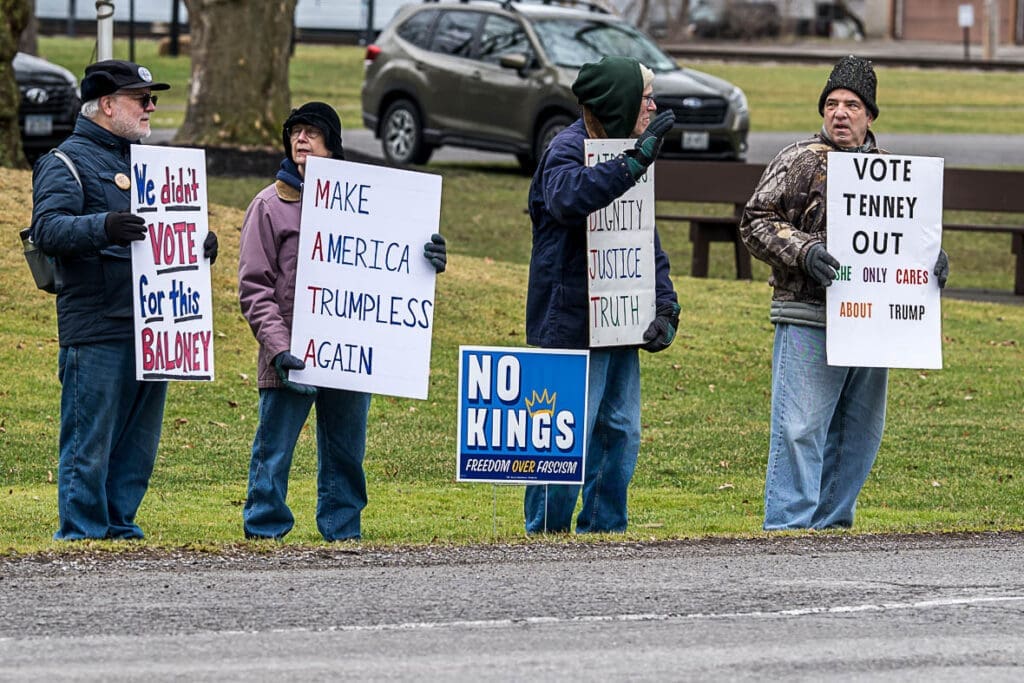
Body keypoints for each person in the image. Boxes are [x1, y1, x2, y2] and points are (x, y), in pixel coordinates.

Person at [739, 55, 950, 530]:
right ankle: (788, 532)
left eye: (851, 105)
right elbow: (755, 222)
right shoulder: (797, 160)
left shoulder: (892, 175)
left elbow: (910, 239)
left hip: (874, 324)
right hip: (807, 316)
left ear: (870, 115)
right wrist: (803, 250)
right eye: (831, 104)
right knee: (800, 429)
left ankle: (831, 530)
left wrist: (932, 261)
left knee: (858, 435)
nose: (839, 114)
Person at [237, 102, 448, 541]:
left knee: (346, 452)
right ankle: (264, 530)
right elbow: (254, 289)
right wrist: (279, 349)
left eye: (312, 133)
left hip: (350, 351)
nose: (300, 139)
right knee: (273, 450)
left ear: (332, 145)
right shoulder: (269, 206)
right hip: (290, 354)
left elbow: (391, 266)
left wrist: (427, 259)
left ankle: (342, 530)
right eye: (295, 131)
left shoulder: (372, 207)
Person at [30, 60, 219, 540]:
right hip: (96, 323)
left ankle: (118, 523)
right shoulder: (64, 162)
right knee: (88, 438)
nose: (151, 106)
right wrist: (103, 226)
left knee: (138, 440)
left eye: (151, 97)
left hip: (155, 323)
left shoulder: (149, 166)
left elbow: (161, 236)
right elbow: (47, 229)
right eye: (141, 98)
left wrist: (196, 246)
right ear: (108, 105)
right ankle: (81, 530)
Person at [523, 56, 680, 534]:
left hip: (618, 322)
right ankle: (546, 534)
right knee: (563, 439)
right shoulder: (566, 149)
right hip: (569, 325)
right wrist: (633, 164)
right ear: (618, 104)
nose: (652, 107)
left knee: (620, 434)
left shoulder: (630, 152)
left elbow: (641, 238)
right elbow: (569, 197)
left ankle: (605, 531)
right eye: (643, 98)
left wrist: (666, 305)